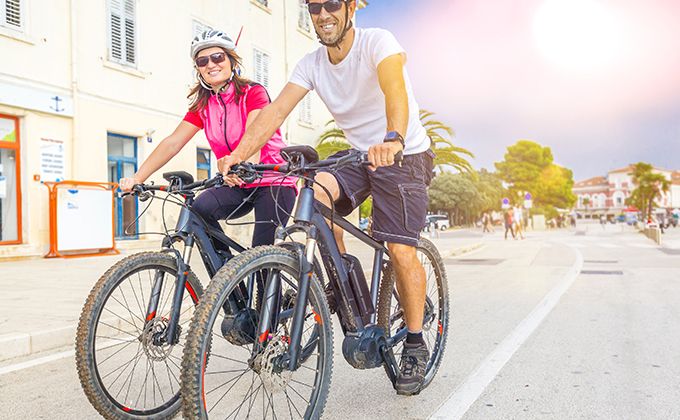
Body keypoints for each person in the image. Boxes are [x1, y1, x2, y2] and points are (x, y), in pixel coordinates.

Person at [218, 0, 435, 395]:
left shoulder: (377, 42)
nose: (323, 14)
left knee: (401, 250)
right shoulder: (312, 63)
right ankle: (342, 279)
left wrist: (394, 138)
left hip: (403, 154)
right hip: (358, 155)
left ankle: (416, 343)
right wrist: (238, 155)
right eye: (314, 6)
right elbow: (274, 113)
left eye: (332, 3)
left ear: (353, 6)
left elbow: (394, 91)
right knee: (313, 190)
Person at [119, 30, 296, 250]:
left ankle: (262, 277)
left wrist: (241, 164)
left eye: (218, 57)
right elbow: (173, 143)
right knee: (198, 210)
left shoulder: (253, 93)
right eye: (202, 61)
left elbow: (255, 134)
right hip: (234, 180)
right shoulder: (203, 106)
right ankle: (229, 277)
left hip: (272, 179)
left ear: (231, 60)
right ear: (198, 70)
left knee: (263, 255)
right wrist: (138, 177)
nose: (210, 64)